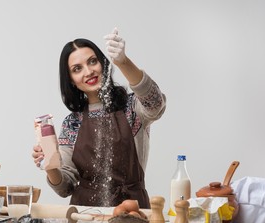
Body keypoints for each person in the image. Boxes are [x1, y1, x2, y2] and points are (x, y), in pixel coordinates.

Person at [32, 28, 166, 208]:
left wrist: (123, 62)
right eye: (77, 69)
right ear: (71, 80)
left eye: (92, 61)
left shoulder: (131, 108)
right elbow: (65, 187)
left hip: (133, 213)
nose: (88, 72)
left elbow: (155, 103)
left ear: (103, 63)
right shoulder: (73, 123)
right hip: (86, 216)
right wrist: (50, 165)